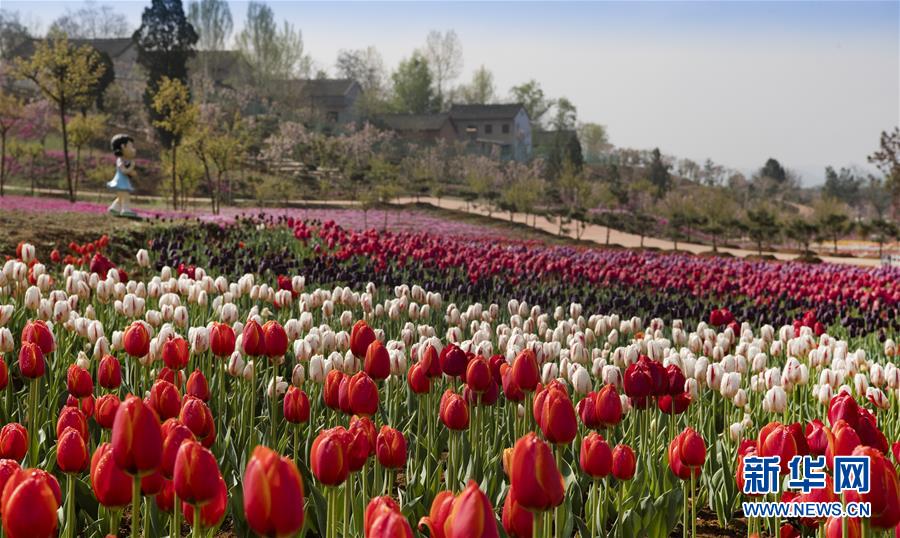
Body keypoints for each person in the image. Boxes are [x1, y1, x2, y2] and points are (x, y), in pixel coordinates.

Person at [107, 134, 137, 217]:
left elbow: (127, 172)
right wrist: (131, 167)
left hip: (122, 182)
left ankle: (114, 208)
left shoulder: (124, 160)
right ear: (123, 146)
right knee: (125, 196)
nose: (133, 150)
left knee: (120, 197)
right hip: (120, 182)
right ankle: (126, 210)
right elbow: (124, 171)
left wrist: (132, 172)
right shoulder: (120, 160)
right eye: (131, 147)